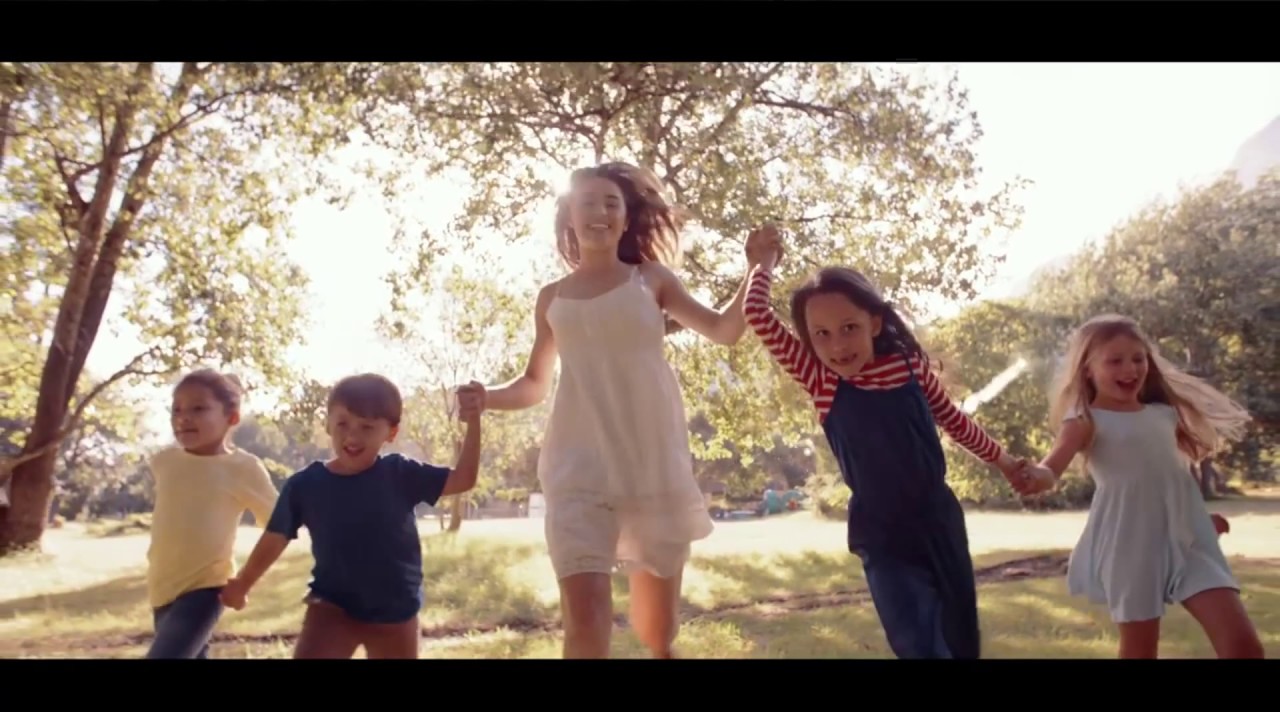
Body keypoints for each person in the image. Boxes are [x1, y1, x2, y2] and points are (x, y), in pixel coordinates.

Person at [455, 161, 751, 659]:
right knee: (587, 628)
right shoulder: (552, 297)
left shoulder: (651, 280)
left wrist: (756, 270)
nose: (599, 211)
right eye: (587, 202)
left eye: (611, 203)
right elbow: (533, 384)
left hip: (651, 470)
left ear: (625, 218)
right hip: (577, 474)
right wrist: (487, 398)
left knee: (659, 633)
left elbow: (724, 330)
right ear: (569, 217)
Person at [741, 226, 1031, 660]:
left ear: (875, 322)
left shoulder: (910, 367)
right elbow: (759, 314)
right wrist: (762, 265)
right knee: (918, 643)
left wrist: (1006, 461)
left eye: (849, 327)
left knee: (959, 640)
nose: (837, 345)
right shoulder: (819, 379)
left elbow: (953, 420)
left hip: (938, 519)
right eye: (820, 334)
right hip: (881, 531)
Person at [1017, 314, 1265, 659]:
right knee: (1140, 650)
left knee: (1244, 648)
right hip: (1130, 545)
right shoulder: (1085, 421)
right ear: (1088, 369)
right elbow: (1051, 468)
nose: (1130, 369)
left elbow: (1174, 472)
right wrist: (1034, 476)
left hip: (1189, 541)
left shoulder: (1164, 414)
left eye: (1138, 358)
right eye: (1115, 361)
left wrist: (1198, 519)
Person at [219, 373, 481, 659]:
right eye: (343, 424)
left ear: (391, 433)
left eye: (367, 427)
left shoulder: (401, 474)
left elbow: (464, 479)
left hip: (396, 613)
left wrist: (475, 422)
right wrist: (243, 584)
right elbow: (275, 537)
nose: (352, 436)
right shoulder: (306, 486)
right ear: (328, 424)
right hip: (332, 609)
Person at [145, 369, 279, 659]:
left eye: (198, 408)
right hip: (161, 589)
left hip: (206, 589)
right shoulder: (164, 462)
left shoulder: (243, 468)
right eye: (176, 409)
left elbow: (280, 525)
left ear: (231, 418)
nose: (183, 417)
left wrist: (244, 582)